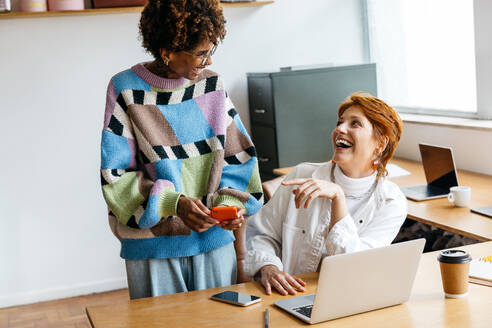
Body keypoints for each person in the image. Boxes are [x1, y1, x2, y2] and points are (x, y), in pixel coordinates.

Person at [100, 0, 263, 299]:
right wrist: (174, 204)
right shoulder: (125, 89)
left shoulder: (212, 86)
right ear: (167, 51)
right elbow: (116, 175)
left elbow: (239, 159)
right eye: (201, 54)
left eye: (211, 51)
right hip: (152, 248)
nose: (209, 62)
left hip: (214, 242)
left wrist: (230, 206)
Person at [245, 92, 406, 296]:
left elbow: (354, 266)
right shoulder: (303, 174)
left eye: (355, 123)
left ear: (380, 144)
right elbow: (261, 234)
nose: (340, 129)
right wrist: (268, 267)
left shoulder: (391, 202)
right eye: (340, 122)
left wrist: (338, 197)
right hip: (290, 296)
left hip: (350, 298)